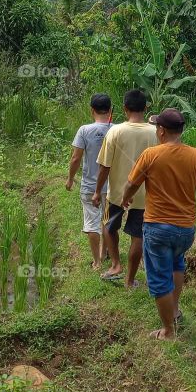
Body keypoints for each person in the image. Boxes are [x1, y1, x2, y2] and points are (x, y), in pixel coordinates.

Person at [122, 107, 196, 339]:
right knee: (177, 264)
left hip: (158, 227)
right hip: (185, 230)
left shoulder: (151, 155)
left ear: (160, 131)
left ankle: (168, 330)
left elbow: (131, 184)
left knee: (158, 279)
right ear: (181, 130)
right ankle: (174, 310)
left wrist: (125, 198)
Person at [92, 89, 158, 287]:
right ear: (146, 108)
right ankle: (130, 279)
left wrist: (97, 191)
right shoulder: (156, 132)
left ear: (124, 108)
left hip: (118, 193)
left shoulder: (115, 131)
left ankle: (115, 265)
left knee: (110, 226)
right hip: (145, 195)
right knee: (138, 235)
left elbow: (105, 166)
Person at [65, 93, 113, 270]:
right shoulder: (116, 129)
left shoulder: (84, 130)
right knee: (107, 220)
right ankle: (104, 252)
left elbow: (76, 158)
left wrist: (70, 179)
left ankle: (97, 262)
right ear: (110, 110)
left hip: (89, 185)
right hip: (112, 186)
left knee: (92, 221)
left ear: (92, 110)